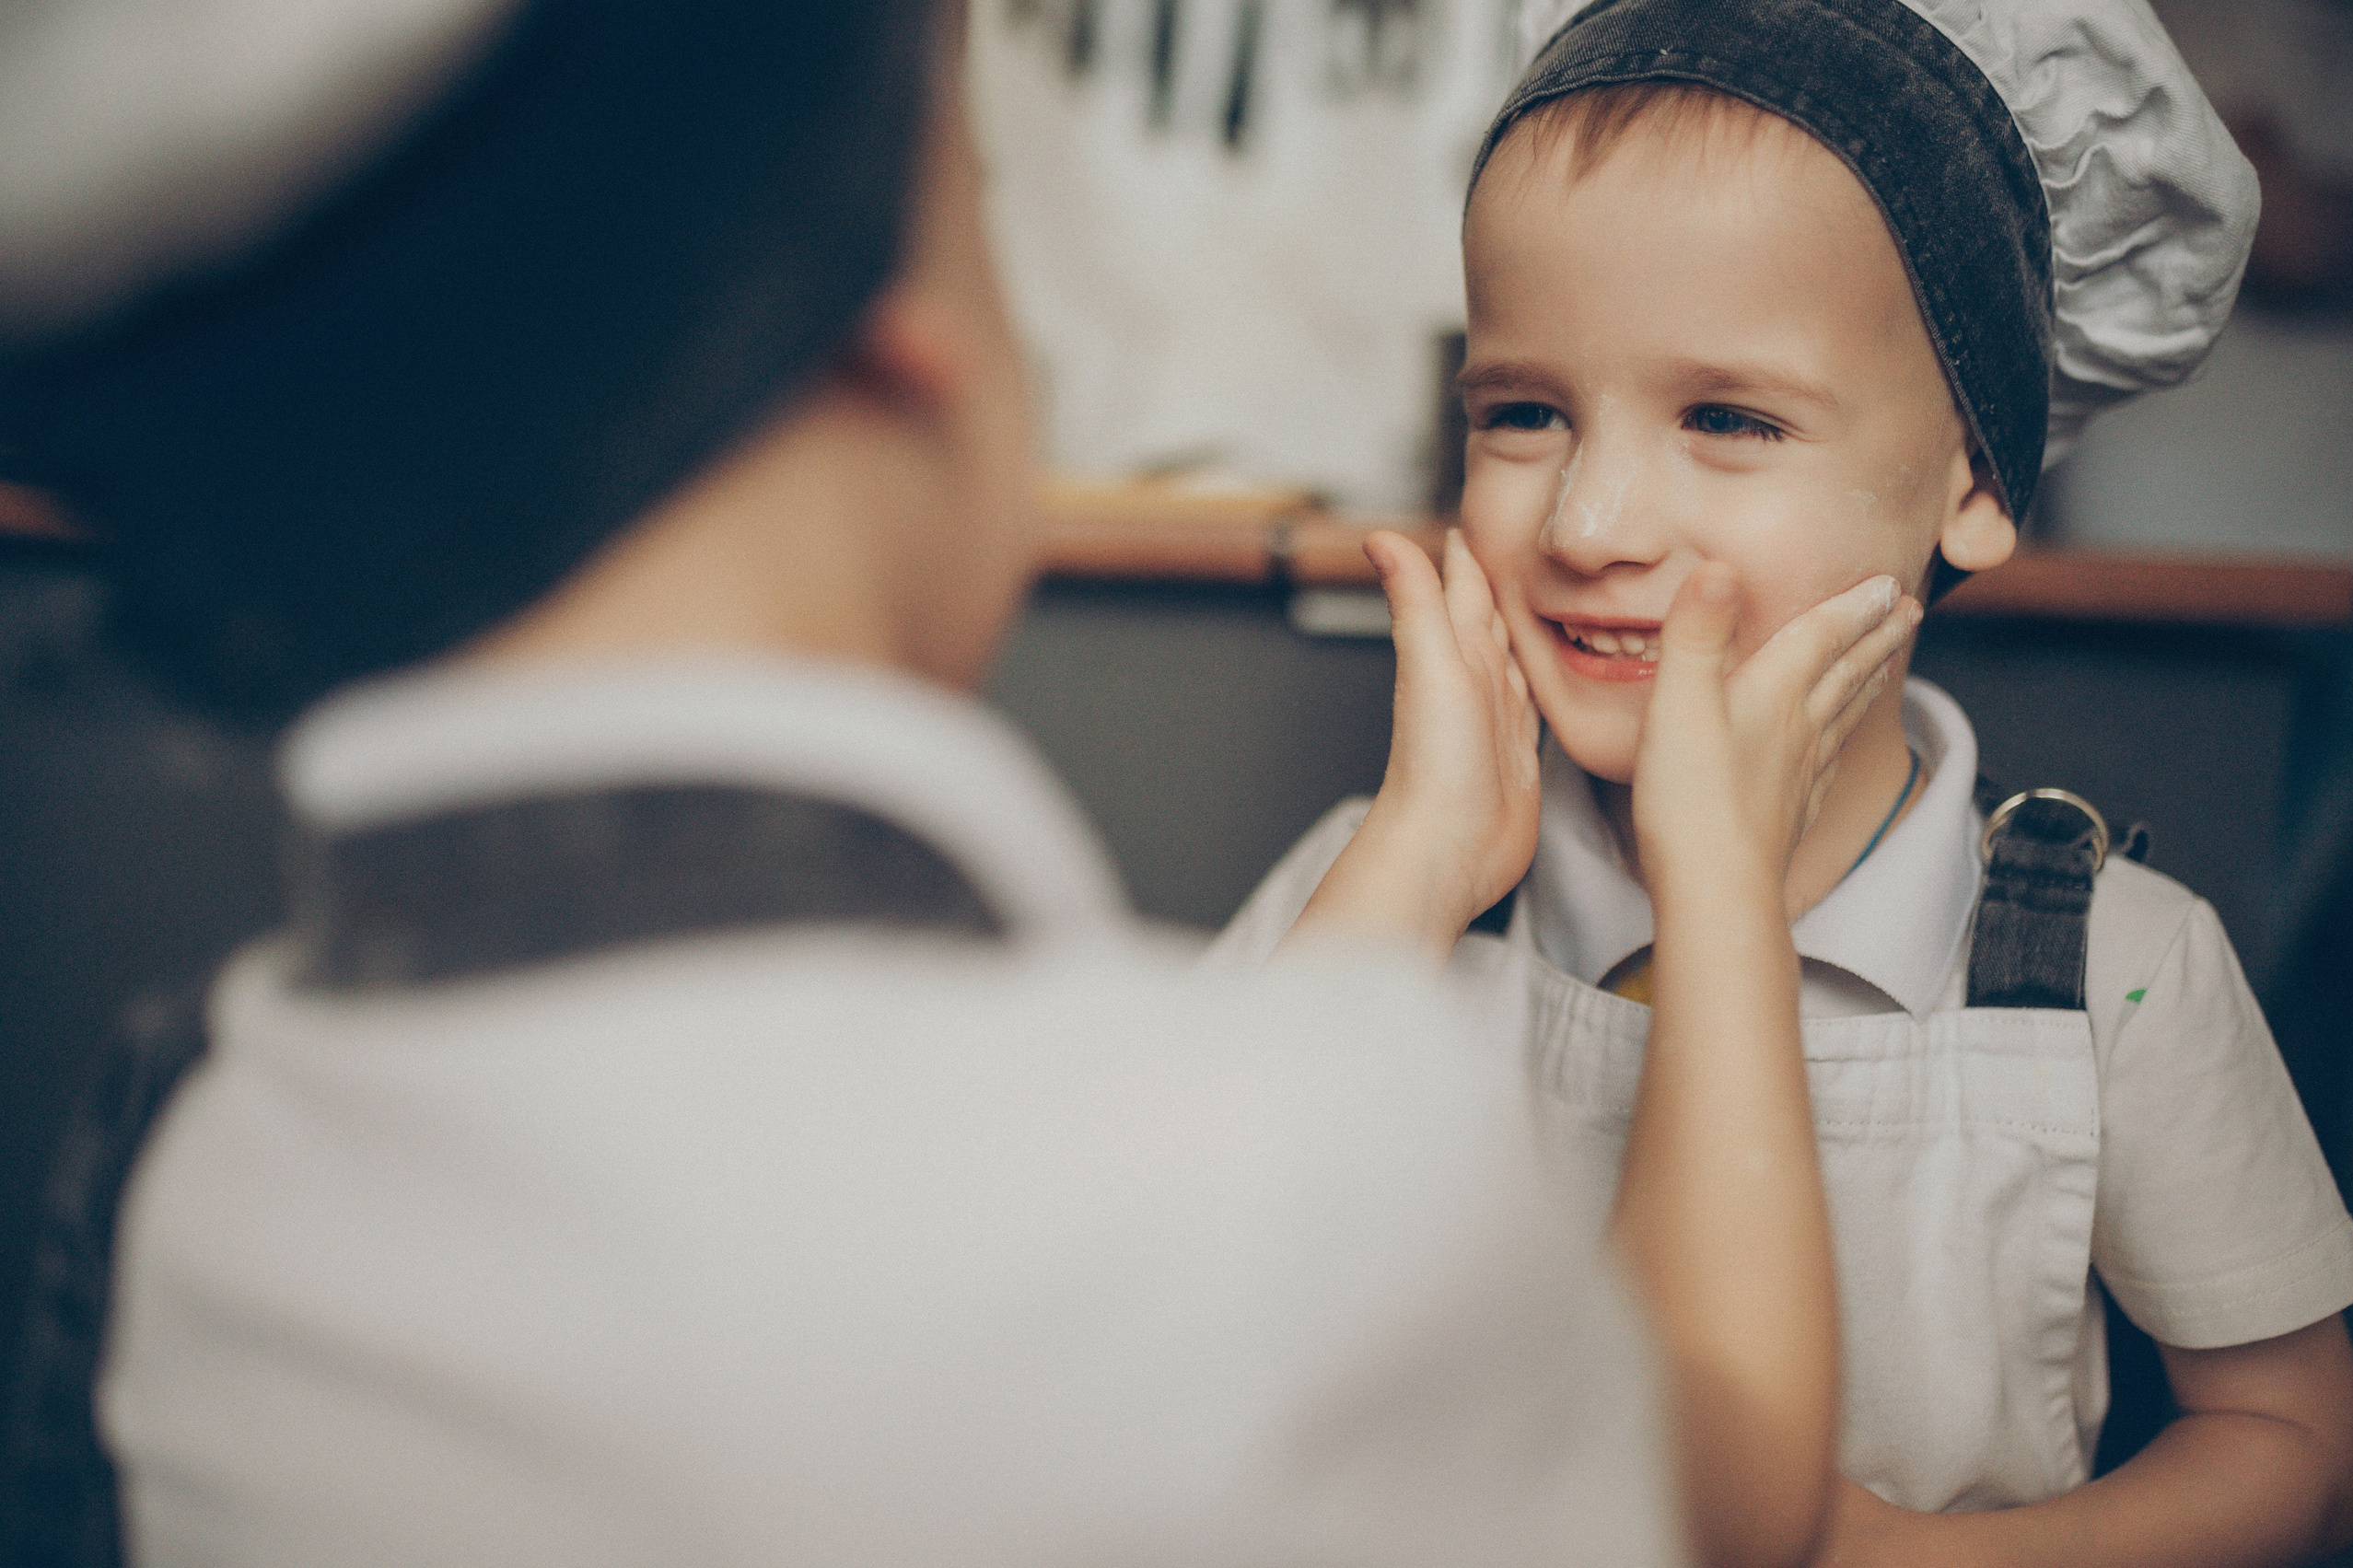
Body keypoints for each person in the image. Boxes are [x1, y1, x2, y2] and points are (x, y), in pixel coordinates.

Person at [0, 2, 1906, 1563]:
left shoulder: (208, 1152)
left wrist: (1414, 861)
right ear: (895, 298)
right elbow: (1718, 1509)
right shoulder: (1282, 1169)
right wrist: (1715, 878)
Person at [1220, 0, 2353, 1562]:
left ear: (1969, 479)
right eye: (1525, 413)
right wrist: (1410, 871)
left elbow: (2293, 1434)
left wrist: (1915, 1557)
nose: (1593, 518)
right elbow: (1165, 1336)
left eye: (1728, 418)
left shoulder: (2114, 968)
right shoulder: (1376, 889)